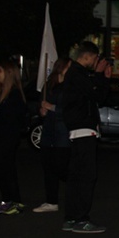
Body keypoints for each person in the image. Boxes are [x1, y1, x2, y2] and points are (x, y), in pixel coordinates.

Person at [60, 41, 111, 233]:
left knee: (76, 175)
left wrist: (99, 77)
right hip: (83, 129)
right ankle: (80, 218)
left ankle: (72, 217)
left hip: (78, 129)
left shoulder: (75, 74)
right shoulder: (78, 74)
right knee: (86, 176)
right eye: (95, 58)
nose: (97, 61)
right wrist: (100, 76)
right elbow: (96, 95)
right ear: (88, 56)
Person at [0, 60, 27, 215]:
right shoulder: (2, 93)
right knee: (8, 172)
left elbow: (11, 118)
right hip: (0, 138)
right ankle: (16, 202)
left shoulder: (14, 95)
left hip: (7, 139)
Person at [34, 57, 72, 213]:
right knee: (48, 167)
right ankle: (51, 201)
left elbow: (72, 111)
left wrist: (53, 107)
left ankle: (74, 196)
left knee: (62, 167)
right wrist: (42, 111)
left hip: (63, 133)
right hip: (49, 131)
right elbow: (42, 106)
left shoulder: (71, 87)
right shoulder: (49, 85)